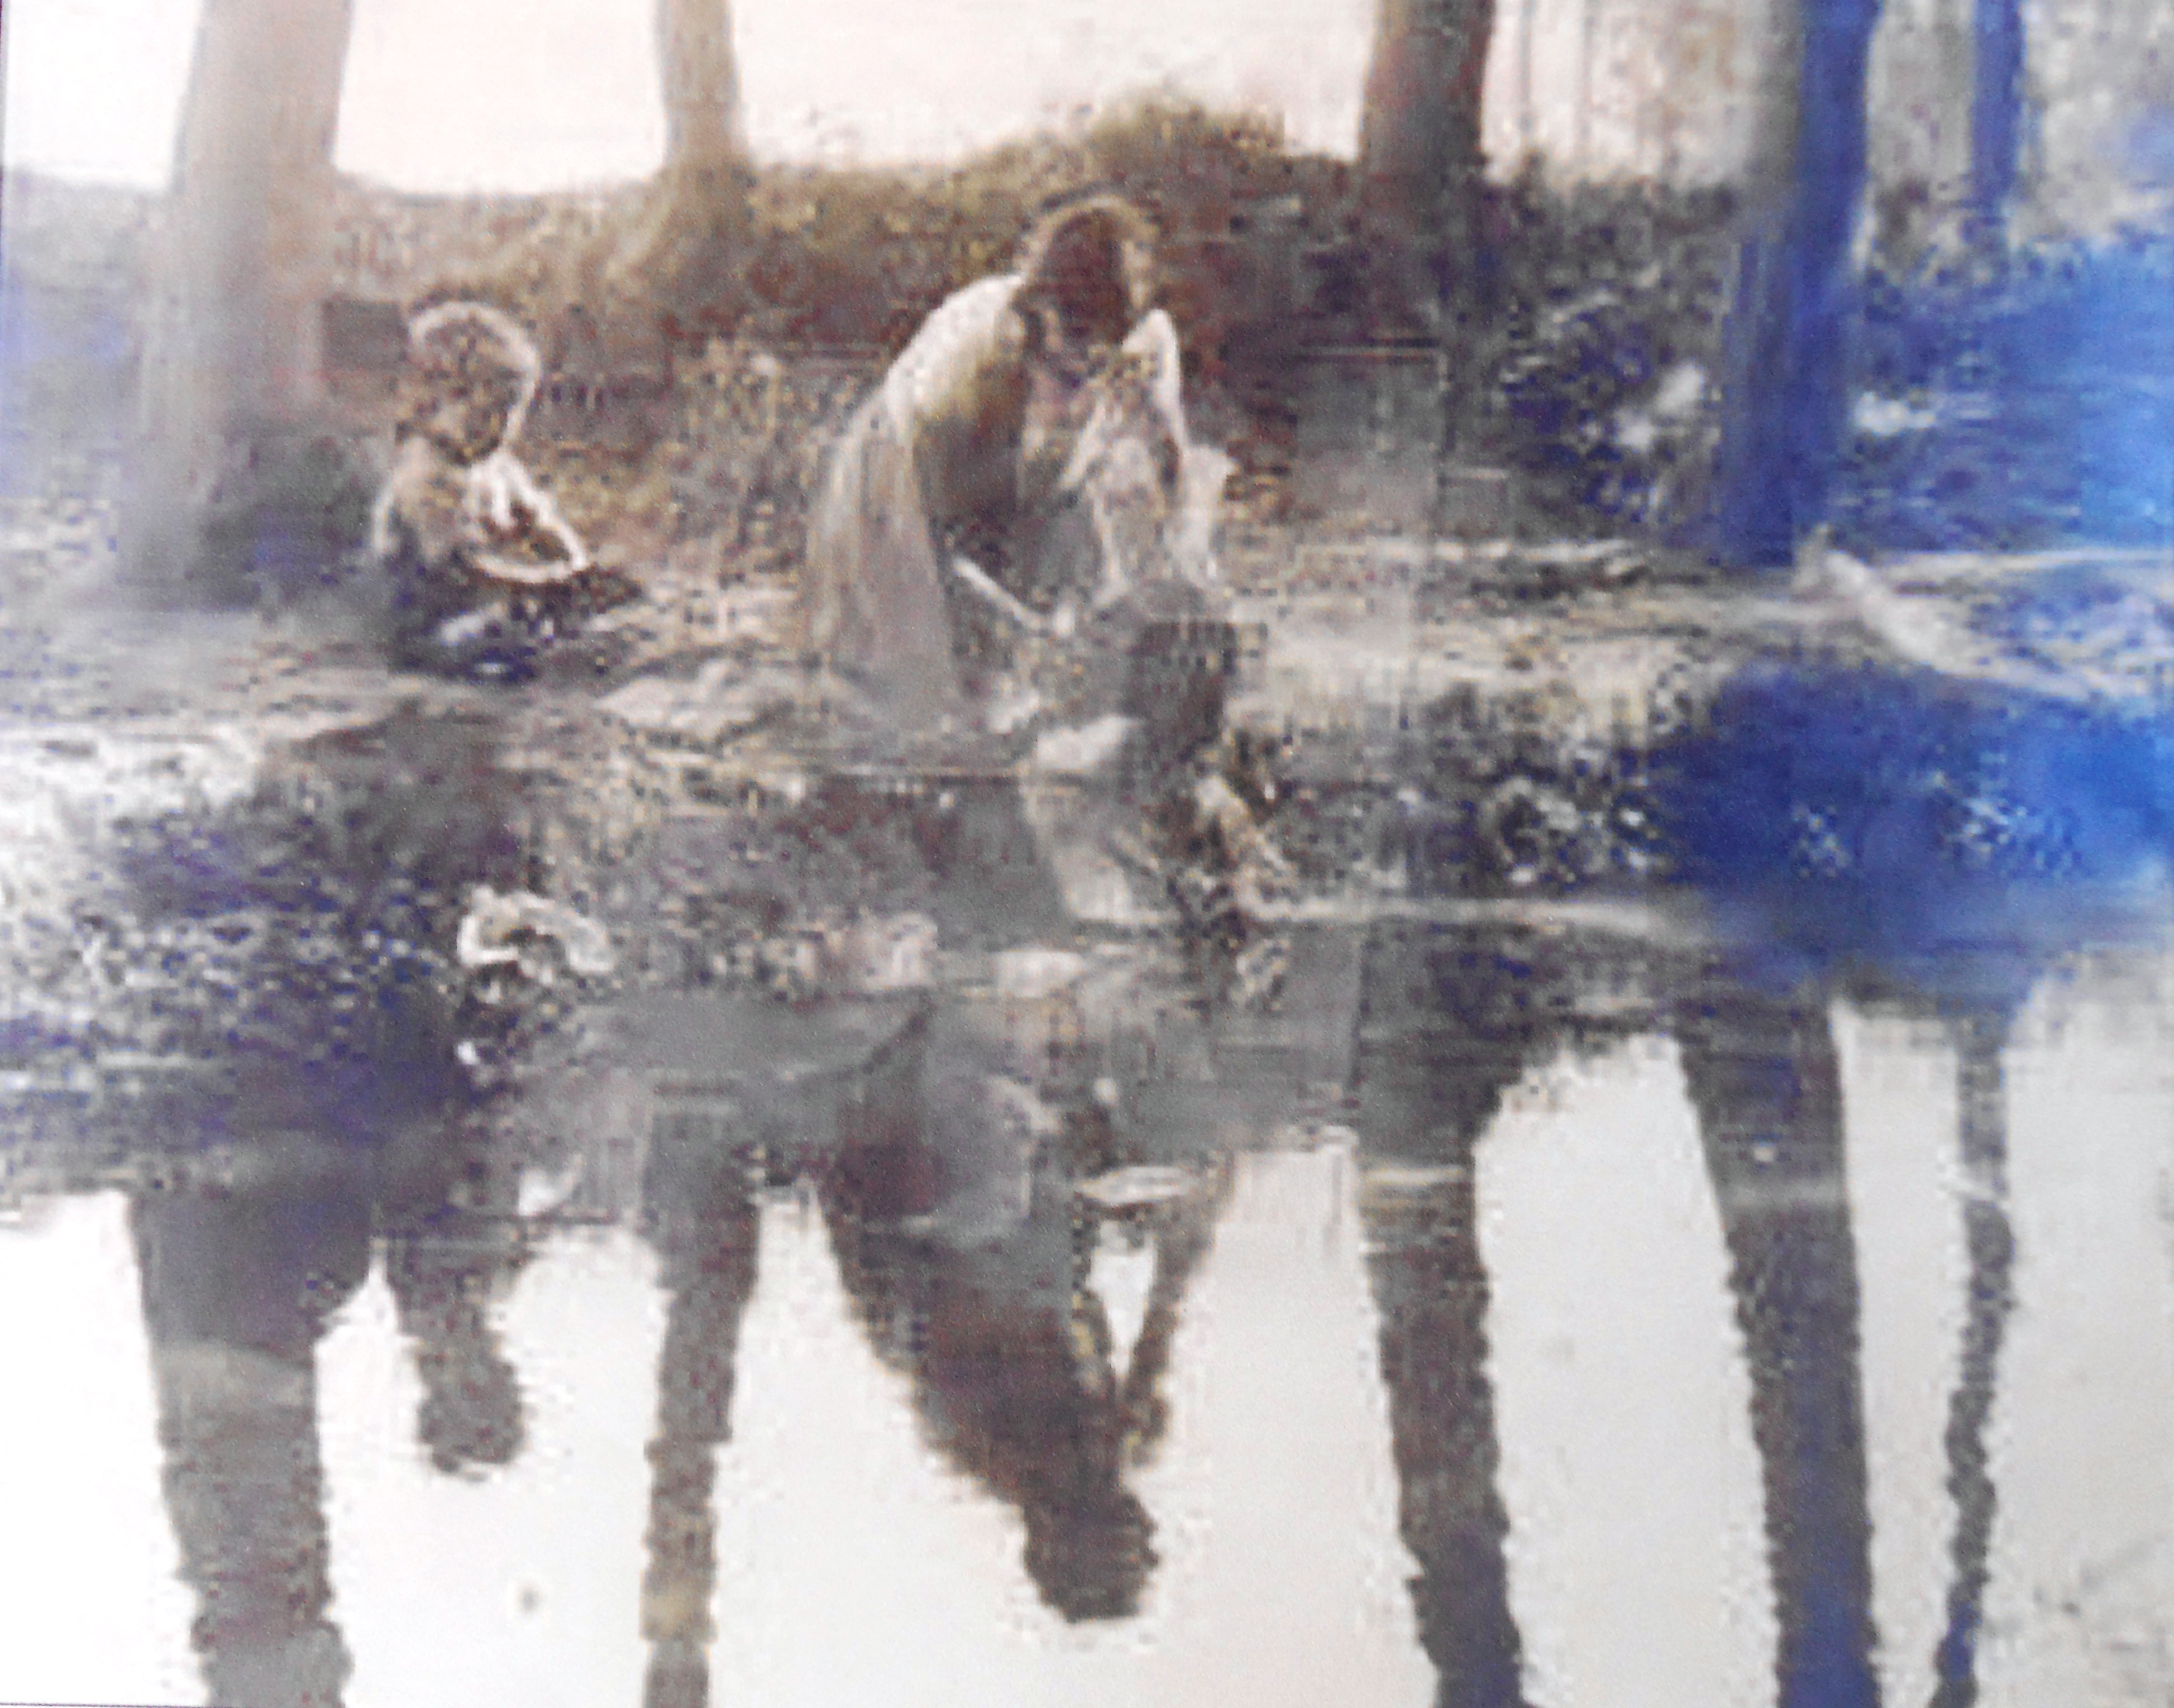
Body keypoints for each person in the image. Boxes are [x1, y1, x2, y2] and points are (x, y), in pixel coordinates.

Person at [795, 194, 1184, 732]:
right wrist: (1024, 631)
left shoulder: (1140, 341)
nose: (1079, 398)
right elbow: (945, 542)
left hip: (1015, 478)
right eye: (1065, 375)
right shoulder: (964, 375)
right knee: (918, 695)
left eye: (1095, 371)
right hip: (894, 490)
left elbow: (1163, 477)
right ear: (1039, 318)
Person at [369, 299, 637, 681]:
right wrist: (550, 586)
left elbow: (545, 529)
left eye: (509, 414)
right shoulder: (428, 476)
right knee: (497, 637)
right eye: (482, 412)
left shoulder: (499, 469)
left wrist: (581, 573)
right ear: (435, 400)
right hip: (431, 621)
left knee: (581, 625)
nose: (497, 428)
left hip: (491, 599)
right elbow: (457, 569)